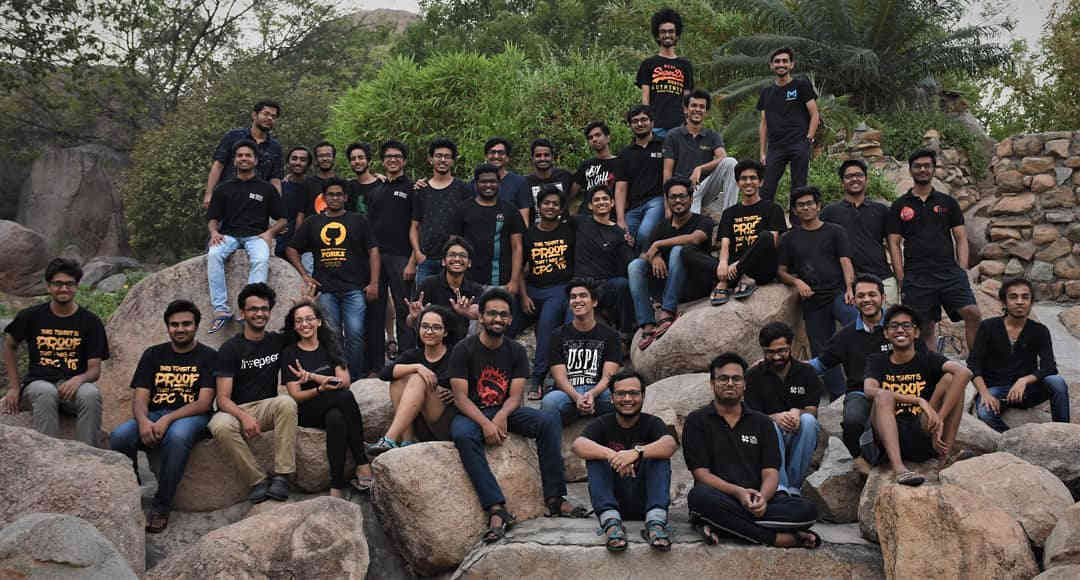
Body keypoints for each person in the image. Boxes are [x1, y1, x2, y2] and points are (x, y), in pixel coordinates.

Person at [449, 288, 587, 544]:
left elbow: (514, 395)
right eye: (491, 313)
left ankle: (555, 498)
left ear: (511, 320)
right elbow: (461, 398)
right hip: (473, 413)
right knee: (462, 434)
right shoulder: (463, 349)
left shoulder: (515, 351)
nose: (497, 319)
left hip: (504, 410)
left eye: (503, 315)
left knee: (546, 421)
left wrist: (500, 417)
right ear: (480, 316)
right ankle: (496, 508)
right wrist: (485, 424)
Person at [684, 352, 820, 548]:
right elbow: (701, 474)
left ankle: (723, 525)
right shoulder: (697, 421)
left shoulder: (762, 422)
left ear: (745, 384)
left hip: (760, 500)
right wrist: (738, 493)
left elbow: (771, 472)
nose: (730, 383)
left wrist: (762, 498)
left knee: (807, 510)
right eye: (723, 378)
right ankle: (776, 538)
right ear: (712, 384)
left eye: (736, 378)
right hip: (721, 496)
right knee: (699, 498)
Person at [109, 300, 217, 532]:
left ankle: (161, 505)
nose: (180, 329)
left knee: (177, 436)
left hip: (192, 416)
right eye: (174, 324)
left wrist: (167, 420)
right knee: (119, 436)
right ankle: (132, 490)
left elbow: (204, 402)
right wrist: (144, 421)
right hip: (155, 413)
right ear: (167, 327)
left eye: (186, 324)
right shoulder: (153, 354)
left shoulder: (208, 356)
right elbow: (140, 398)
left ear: (196, 325)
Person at [1, 258, 108, 445]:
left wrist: (79, 379)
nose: (63, 289)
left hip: (72, 388)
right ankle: (49, 455)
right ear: (49, 286)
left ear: (76, 286)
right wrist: (14, 387)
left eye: (69, 284)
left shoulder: (90, 322)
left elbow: (94, 370)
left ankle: (87, 455)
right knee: (46, 391)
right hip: (38, 385)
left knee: (90, 394)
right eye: (58, 283)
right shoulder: (31, 316)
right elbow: (9, 346)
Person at [862, 305, 971, 486]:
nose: (900, 330)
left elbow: (965, 373)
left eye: (906, 325)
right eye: (893, 326)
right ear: (886, 334)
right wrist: (918, 400)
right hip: (889, 435)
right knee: (883, 396)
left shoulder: (927, 358)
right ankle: (900, 469)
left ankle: (944, 458)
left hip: (923, 430)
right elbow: (869, 390)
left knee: (952, 380)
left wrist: (940, 418)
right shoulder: (877, 360)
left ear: (917, 333)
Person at [208, 283, 297, 504]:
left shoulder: (276, 341)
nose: (259, 313)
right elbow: (222, 398)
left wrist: (307, 306)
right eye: (253, 309)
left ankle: (283, 476)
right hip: (236, 410)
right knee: (218, 425)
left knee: (286, 402)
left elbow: (307, 329)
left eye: (264, 309)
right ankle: (257, 480)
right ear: (242, 313)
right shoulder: (230, 349)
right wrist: (244, 417)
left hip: (267, 405)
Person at [571, 369, 677, 552]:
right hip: (614, 500)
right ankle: (611, 524)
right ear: (612, 398)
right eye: (621, 394)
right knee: (596, 456)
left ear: (643, 396)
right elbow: (578, 445)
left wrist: (637, 452)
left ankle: (656, 524)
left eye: (633, 393)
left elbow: (670, 444)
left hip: (646, 501)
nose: (627, 398)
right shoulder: (603, 423)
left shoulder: (652, 423)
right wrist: (613, 455)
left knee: (659, 455)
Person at [888, 148, 981, 352]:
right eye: (918, 166)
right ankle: (931, 373)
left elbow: (961, 238)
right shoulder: (899, 205)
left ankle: (976, 365)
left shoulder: (947, 202)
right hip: (917, 275)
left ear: (933, 169)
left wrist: (963, 269)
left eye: (927, 166)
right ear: (911, 170)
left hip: (949, 272)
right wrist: (901, 276)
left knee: (972, 313)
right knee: (925, 326)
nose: (923, 169)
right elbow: (894, 243)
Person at [286, 178, 380, 379]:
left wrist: (374, 283)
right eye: (331, 194)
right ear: (324, 197)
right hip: (326, 290)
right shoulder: (313, 222)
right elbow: (292, 248)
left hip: (354, 288)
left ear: (346, 198)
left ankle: (354, 378)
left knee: (355, 334)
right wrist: (304, 275)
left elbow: (373, 250)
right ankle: (339, 376)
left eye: (339, 194)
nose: (335, 198)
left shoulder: (358, 220)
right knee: (332, 335)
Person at [810, 274, 902, 470]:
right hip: (859, 392)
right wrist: (788, 364)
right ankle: (862, 462)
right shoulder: (846, 335)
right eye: (861, 296)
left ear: (883, 298)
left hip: (897, 389)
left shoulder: (898, 328)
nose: (867, 300)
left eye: (872, 294)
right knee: (852, 422)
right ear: (853, 300)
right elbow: (820, 364)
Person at [281, 301, 372, 498]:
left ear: (319, 322)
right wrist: (320, 389)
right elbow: (296, 396)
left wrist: (313, 378)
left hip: (333, 406)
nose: (304, 324)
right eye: (299, 321)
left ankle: (336, 486)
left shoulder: (330, 345)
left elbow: (345, 381)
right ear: (294, 326)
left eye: (309, 319)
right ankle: (363, 462)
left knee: (336, 419)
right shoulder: (290, 353)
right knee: (344, 397)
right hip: (308, 409)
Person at [778, 186, 857, 400]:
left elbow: (845, 262)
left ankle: (861, 383)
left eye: (810, 203)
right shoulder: (789, 238)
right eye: (800, 205)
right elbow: (781, 271)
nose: (806, 208)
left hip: (839, 293)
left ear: (818, 205)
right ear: (794, 210)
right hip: (812, 299)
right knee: (823, 350)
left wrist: (851, 288)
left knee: (858, 330)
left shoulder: (835, 231)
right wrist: (797, 282)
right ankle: (838, 396)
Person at [206, 139, 287, 333]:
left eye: (248, 155)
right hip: (229, 235)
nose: (244, 159)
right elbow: (212, 218)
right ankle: (221, 310)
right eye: (240, 156)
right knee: (214, 254)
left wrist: (270, 233)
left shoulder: (266, 188)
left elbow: (283, 219)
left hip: (256, 236)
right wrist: (214, 232)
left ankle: (249, 308)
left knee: (261, 258)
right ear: (234, 161)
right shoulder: (223, 188)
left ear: (255, 160)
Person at [970, 277, 1069, 432]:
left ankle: (1063, 431)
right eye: (1013, 297)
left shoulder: (1039, 330)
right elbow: (974, 364)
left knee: (1056, 382)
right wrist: (984, 394)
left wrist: (1024, 380)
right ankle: (1011, 441)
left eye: (1025, 297)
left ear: (1031, 302)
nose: (1020, 302)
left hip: (1028, 390)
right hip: (997, 389)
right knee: (984, 412)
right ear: (1004, 302)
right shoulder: (988, 327)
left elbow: (1049, 367)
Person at [630, 177, 717, 350]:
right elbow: (644, 254)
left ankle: (668, 312)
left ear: (691, 199)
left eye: (682, 196)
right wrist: (654, 257)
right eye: (673, 197)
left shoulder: (702, 221)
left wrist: (659, 244)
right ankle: (647, 324)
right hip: (667, 285)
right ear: (667, 200)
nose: (678, 200)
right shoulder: (661, 226)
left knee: (679, 250)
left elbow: (694, 238)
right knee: (635, 266)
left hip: (695, 285)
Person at [368, 305, 458, 455]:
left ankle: (389, 438)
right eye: (425, 326)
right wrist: (417, 367)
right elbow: (385, 373)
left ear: (445, 332)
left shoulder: (455, 354)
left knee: (417, 379)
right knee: (399, 379)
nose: (429, 332)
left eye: (436, 328)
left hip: (445, 421)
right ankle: (406, 441)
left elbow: (472, 380)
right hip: (422, 423)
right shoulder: (415, 355)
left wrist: (457, 393)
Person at [744, 322, 823, 494]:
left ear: (790, 346)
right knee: (768, 425)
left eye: (782, 351)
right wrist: (775, 418)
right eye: (770, 352)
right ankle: (779, 486)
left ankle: (793, 487)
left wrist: (797, 412)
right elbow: (751, 415)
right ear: (763, 350)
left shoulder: (806, 372)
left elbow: (812, 409)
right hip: (767, 438)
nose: (777, 357)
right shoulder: (754, 376)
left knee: (808, 421)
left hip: (797, 434)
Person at [512, 187, 575, 398]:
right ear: (539, 207)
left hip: (557, 289)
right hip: (532, 289)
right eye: (546, 203)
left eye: (555, 204)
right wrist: (524, 296)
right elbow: (520, 267)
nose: (551, 207)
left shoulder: (569, 230)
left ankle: (537, 378)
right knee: (507, 324)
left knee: (546, 324)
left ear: (561, 208)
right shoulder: (529, 234)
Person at [359, 141, 416, 366]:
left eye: (398, 156)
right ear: (382, 161)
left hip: (402, 257)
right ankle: (375, 363)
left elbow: (416, 226)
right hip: (375, 258)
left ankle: (405, 359)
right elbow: (368, 227)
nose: (393, 160)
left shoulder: (413, 189)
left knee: (404, 309)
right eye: (388, 156)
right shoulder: (376, 191)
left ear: (404, 160)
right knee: (375, 309)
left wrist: (412, 260)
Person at [541, 279, 621, 424]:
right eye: (573, 297)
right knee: (549, 402)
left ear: (594, 302)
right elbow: (559, 377)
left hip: (599, 393)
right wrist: (577, 397)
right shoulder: (557, 335)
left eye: (583, 295)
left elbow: (608, 377)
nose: (577, 300)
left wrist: (591, 394)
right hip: (567, 393)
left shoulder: (611, 336)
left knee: (620, 397)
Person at [712, 160, 787, 305]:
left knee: (766, 236)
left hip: (761, 268)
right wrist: (722, 263)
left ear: (761, 182)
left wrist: (739, 265)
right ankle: (731, 278)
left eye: (753, 178)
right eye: (743, 178)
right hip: (732, 269)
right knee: (687, 251)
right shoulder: (729, 213)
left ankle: (728, 281)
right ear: (738, 183)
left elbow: (773, 241)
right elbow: (725, 242)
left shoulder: (773, 209)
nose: (748, 182)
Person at [821, 159, 896, 303]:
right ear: (842, 182)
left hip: (882, 278)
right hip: (846, 285)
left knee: (888, 323)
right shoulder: (830, 212)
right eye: (849, 176)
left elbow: (893, 245)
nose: (855, 179)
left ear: (866, 180)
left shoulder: (881, 210)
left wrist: (899, 277)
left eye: (859, 175)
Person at [570, 184, 636, 333]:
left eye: (605, 199)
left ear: (612, 203)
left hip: (606, 285)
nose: (601, 202)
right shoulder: (579, 222)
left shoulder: (620, 232)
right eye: (597, 200)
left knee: (622, 285)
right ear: (590, 205)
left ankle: (626, 333)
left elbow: (629, 261)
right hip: (581, 284)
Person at [449, 164, 526, 292]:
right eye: (483, 182)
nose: (488, 185)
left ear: (499, 183)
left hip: (501, 281)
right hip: (468, 281)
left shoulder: (510, 210)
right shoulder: (463, 209)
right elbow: (453, 245)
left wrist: (514, 281)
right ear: (476, 184)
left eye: (492, 181)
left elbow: (517, 247)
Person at [757, 48, 819, 204]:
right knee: (766, 188)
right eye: (777, 61)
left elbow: (815, 114)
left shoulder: (801, 86)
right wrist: (762, 153)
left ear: (792, 65)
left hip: (799, 143)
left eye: (785, 61)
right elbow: (764, 123)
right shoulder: (766, 92)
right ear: (771, 65)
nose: (781, 64)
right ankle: (766, 223)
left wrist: (809, 139)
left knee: (798, 187)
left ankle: (797, 225)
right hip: (776, 146)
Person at [662, 89, 738, 214]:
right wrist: (667, 208)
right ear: (686, 109)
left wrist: (700, 169)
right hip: (683, 191)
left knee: (731, 162)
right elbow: (667, 172)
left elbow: (722, 158)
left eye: (702, 107)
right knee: (691, 225)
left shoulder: (712, 135)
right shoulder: (673, 135)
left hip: (705, 187)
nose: (697, 109)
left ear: (706, 112)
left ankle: (729, 216)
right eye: (694, 105)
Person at [410, 138, 473, 286]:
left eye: (447, 156)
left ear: (452, 161)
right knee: (424, 304)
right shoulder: (421, 189)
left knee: (453, 304)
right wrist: (418, 254)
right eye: (438, 156)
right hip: (427, 260)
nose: (443, 160)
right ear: (430, 159)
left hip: (454, 260)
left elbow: (469, 224)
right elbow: (414, 226)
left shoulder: (462, 189)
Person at [405, 236, 483, 350]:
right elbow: (409, 322)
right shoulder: (429, 284)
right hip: (430, 348)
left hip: (462, 349)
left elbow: (481, 315)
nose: (457, 259)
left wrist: (469, 313)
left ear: (469, 263)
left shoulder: (475, 289)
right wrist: (414, 317)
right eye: (452, 255)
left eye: (462, 256)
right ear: (443, 261)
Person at [202, 99, 283, 209]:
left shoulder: (275, 147)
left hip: (257, 205)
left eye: (273, 117)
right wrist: (209, 194)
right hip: (227, 199)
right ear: (254, 115)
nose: (269, 118)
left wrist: (277, 205)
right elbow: (218, 165)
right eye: (266, 114)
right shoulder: (233, 136)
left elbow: (275, 179)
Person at [615, 104, 666, 249]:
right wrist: (620, 219)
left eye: (644, 119)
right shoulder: (625, 154)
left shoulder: (664, 145)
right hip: (634, 206)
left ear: (652, 122)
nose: (640, 124)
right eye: (635, 121)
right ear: (630, 125)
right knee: (624, 237)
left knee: (644, 234)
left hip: (657, 200)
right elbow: (620, 188)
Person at [637, 8, 693, 138]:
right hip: (656, 126)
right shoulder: (648, 64)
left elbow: (687, 98)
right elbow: (645, 98)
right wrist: (647, 124)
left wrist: (687, 123)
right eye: (663, 32)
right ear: (657, 35)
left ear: (677, 34)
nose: (667, 35)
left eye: (671, 31)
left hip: (680, 126)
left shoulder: (685, 65)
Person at [276, 146, 316, 272]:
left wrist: (377, 176)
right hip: (279, 243)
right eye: (294, 158)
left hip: (305, 246)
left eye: (303, 160)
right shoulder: (279, 186)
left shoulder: (314, 186)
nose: (298, 162)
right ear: (288, 162)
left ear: (308, 164)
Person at [570, 121, 623, 213]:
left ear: (607, 138)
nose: (594, 139)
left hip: (610, 214)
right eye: (590, 138)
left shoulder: (620, 163)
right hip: (587, 215)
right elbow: (572, 192)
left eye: (598, 135)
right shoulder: (585, 165)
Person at [477, 137, 530, 224]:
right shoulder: (474, 184)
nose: (496, 156)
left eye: (501, 153)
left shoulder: (519, 182)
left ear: (507, 157)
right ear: (486, 156)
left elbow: (524, 220)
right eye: (492, 152)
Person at [523, 139, 575, 224]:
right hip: (537, 232)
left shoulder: (565, 176)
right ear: (532, 158)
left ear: (552, 157)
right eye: (538, 155)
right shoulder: (525, 182)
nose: (542, 158)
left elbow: (575, 196)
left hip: (564, 229)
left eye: (546, 155)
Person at [306, 141, 341, 215]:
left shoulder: (342, 184)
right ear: (316, 159)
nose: (325, 159)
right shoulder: (307, 184)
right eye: (321, 156)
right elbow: (301, 214)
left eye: (328, 155)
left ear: (333, 158)